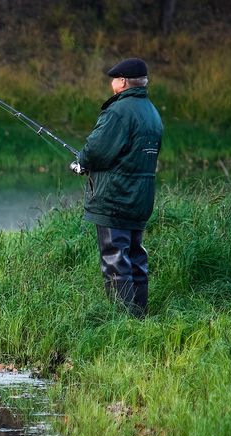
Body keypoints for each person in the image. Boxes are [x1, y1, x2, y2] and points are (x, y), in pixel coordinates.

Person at [70, 58, 163, 318]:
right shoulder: (152, 112)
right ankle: (139, 316)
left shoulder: (119, 111)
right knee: (135, 257)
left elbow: (97, 149)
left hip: (116, 197)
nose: (112, 83)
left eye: (114, 79)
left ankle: (122, 321)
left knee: (115, 258)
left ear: (122, 81)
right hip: (141, 197)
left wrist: (81, 163)